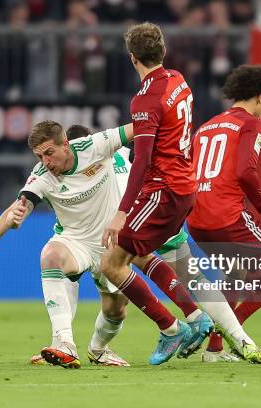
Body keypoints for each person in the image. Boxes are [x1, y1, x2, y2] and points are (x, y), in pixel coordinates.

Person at [67, 125, 261, 364]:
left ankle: (177, 325)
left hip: (134, 218)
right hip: (164, 205)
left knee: (117, 278)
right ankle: (241, 340)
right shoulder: (119, 149)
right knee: (192, 278)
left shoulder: (74, 173)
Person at [0, 121, 141, 369]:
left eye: (49, 153)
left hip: (110, 244)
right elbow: (19, 207)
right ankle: (64, 344)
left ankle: (99, 349)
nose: (46, 161)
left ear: (66, 145)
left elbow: (140, 126)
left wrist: (162, 113)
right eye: (39, 156)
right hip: (75, 241)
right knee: (50, 255)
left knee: (117, 310)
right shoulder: (42, 175)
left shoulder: (96, 146)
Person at [98, 22, 217, 366]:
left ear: (132, 58)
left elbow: (144, 159)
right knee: (138, 256)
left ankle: (170, 328)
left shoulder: (145, 98)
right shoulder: (179, 81)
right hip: (184, 189)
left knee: (110, 262)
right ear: (162, 52)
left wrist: (122, 211)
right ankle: (196, 318)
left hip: (162, 189)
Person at [186, 64, 261, 357]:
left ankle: (214, 349)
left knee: (237, 272)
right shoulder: (251, 123)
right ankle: (233, 328)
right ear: (260, 96)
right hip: (226, 215)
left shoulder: (206, 127)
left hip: (196, 218)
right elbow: (246, 172)